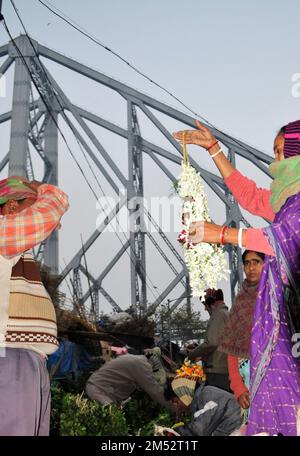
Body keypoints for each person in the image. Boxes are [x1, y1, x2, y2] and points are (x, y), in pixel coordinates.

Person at [173, 119, 300, 435]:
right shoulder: (285, 204)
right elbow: (251, 197)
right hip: (280, 335)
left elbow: (283, 237)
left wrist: (223, 234)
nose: (275, 164)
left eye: (282, 154)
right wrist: (213, 149)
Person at [0, 176, 69, 436]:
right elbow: (53, 208)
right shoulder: (3, 232)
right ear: (12, 208)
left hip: (22, 358)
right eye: (33, 205)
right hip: (9, 357)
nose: (55, 227)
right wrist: (43, 189)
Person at [218, 250, 265, 416]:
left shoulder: (281, 295)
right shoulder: (240, 303)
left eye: (256, 262)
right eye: (247, 263)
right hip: (249, 384)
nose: (251, 267)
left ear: (266, 264)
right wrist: (238, 388)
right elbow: (232, 351)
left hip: (280, 379)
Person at [85, 353, 176, 412]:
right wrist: (177, 408)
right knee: (113, 419)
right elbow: (155, 392)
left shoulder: (137, 360)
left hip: (100, 388)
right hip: (99, 390)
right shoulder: (142, 365)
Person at [165, 380, 243, 436]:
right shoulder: (200, 400)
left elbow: (199, 431)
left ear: (184, 395)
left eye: (176, 402)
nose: (177, 407)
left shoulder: (207, 395)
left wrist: (174, 432)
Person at [188, 289, 230, 392]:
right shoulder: (226, 314)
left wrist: (192, 354)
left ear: (212, 304)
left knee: (214, 403)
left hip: (216, 370)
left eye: (205, 305)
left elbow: (212, 343)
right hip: (225, 368)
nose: (205, 309)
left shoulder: (218, 315)